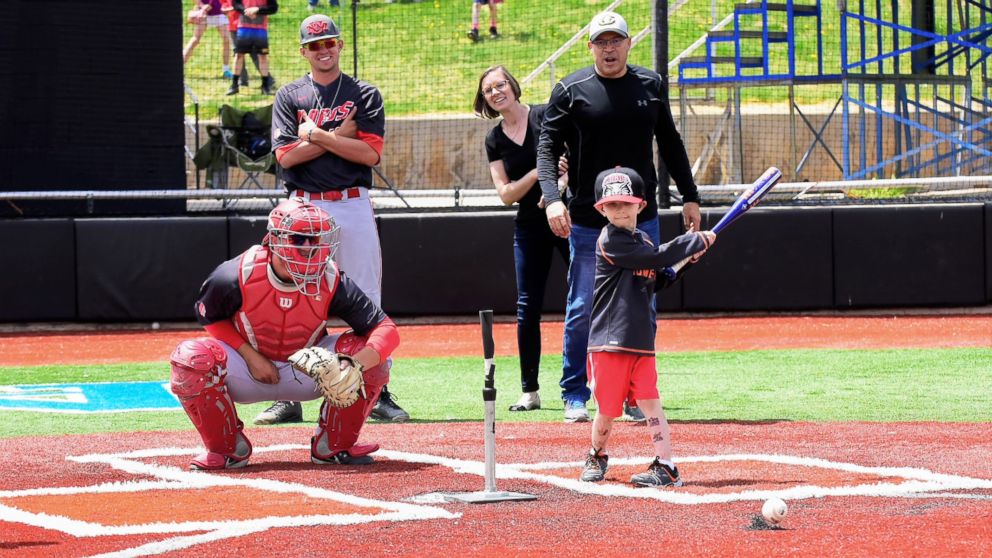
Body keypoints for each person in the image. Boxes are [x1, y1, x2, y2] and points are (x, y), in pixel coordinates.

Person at [536, 10, 702, 423]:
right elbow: (546, 147)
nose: (609, 49)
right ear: (589, 46)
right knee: (581, 306)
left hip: (641, 218)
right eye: (601, 42)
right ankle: (574, 392)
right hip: (588, 220)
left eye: (616, 41)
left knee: (641, 306)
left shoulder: (651, 85)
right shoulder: (569, 89)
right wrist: (552, 198)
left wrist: (690, 196)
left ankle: (632, 394)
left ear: (629, 44)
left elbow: (671, 142)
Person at [169, 199, 400, 470]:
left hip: (306, 370)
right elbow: (210, 317)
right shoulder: (236, 273)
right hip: (246, 369)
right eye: (299, 238)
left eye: (315, 239)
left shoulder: (331, 278)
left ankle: (334, 445)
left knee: (371, 356)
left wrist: (355, 365)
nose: (309, 247)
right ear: (275, 239)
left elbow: (386, 330)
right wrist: (250, 355)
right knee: (191, 358)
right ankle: (227, 448)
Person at [260, 14, 409, 425]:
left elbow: (370, 155)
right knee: (292, 298)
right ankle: (288, 394)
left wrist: (317, 136)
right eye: (314, 44)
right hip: (303, 207)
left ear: (340, 45)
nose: (323, 49)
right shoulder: (290, 96)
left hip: (352, 201)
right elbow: (286, 157)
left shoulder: (364, 93)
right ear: (303, 51)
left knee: (366, 298)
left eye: (329, 42)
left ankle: (375, 388)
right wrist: (341, 137)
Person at [579, 167, 714, 486]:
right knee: (608, 410)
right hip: (608, 342)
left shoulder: (642, 241)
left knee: (651, 401)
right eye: (612, 205)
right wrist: (692, 242)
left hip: (640, 340)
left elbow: (657, 276)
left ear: (640, 204)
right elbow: (654, 258)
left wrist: (685, 263)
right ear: (602, 209)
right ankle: (597, 454)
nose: (620, 210)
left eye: (626, 203)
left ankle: (666, 464)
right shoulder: (610, 239)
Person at [475, 65, 569, 412]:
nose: (496, 92)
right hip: (529, 225)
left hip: (567, 217)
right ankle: (530, 391)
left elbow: (573, 157)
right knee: (527, 308)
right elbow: (506, 194)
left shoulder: (545, 115)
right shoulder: (494, 139)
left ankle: (588, 385)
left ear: (514, 86)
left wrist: (558, 189)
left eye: (500, 85)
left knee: (586, 301)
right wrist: (539, 174)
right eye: (488, 90)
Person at [226, 0, 278, 96]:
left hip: (261, 29)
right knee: (239, 55)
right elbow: (236, 4)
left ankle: (265, 86)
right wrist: (247, 11)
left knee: (262, 56)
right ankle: (234, 85)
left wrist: (257, 10)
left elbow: (273, 8)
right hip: (243, 28)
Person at [183, 0, 233, 78]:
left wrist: (226, 6)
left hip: (219, 13)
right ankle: (180, 66)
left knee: (227, 40)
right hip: (203, 14)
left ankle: (226, 70)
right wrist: (202, 6)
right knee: (195, 40)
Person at [221, 0, 262, 87]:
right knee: (238, 54)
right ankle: (243, 80)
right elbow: (224, 6)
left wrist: (232, 8)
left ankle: (268, 79)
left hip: (246, 26)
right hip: (233, 27)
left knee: (254, 53)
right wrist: (225, 9)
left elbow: (248, 6)